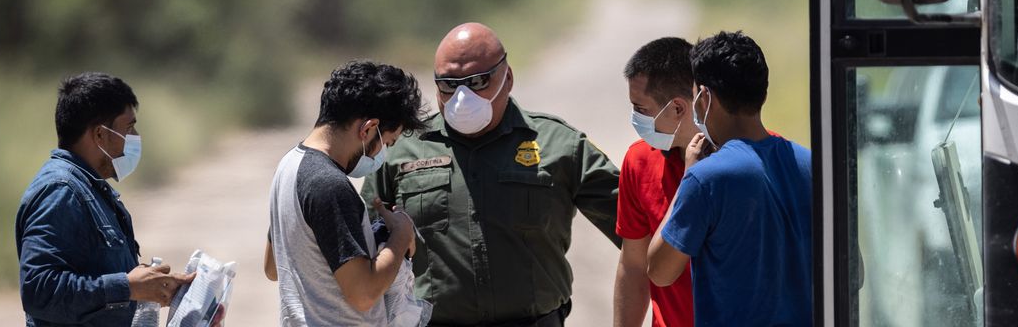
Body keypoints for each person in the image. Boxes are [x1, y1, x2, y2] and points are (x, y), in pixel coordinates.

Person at [361, 22, 622, 326]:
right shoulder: (401, 150)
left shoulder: (560, 145)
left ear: (507, 77)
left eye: (478, 81)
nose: (462, 96)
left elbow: (640, 230)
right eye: (449, 84)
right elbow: (358, 248)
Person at [647, 31, 813, 325]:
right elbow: (855, 272)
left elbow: (660, 271)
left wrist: (688, 175)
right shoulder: (813, 165)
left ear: (704, 97)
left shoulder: (706, 178)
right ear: (762, 93)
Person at [15, 72, 196, 326]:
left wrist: (151, 285)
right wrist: (128, 286)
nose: (135, 136)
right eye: (129, 127)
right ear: (100, 135)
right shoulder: (60, 191)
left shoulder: (90, 188)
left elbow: (96, 275)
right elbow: (39, 290)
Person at [263, 61, 428, 326]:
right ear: (368, 129)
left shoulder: (288, 166)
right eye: (386, 143)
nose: (382, 153)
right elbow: (363, 294)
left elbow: (273, 267)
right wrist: (401, 234)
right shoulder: (330, 185)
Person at [613, 37, 699, 327]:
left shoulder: (741, 160)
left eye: (641, 109)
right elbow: (633, 266)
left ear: (677, 108)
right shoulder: (639, 161)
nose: (635, 119)